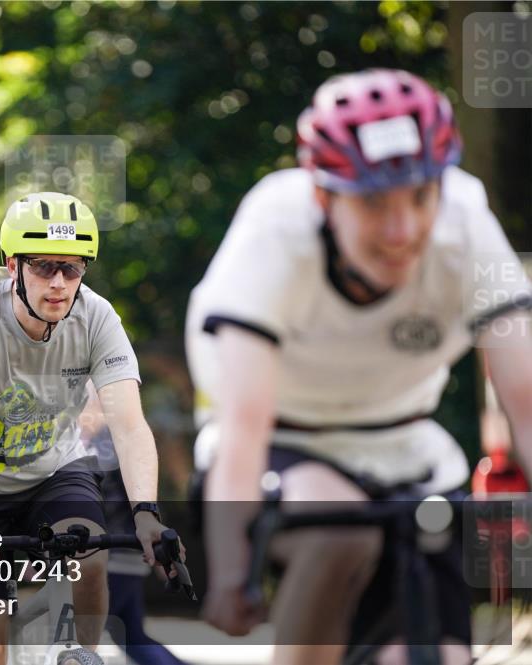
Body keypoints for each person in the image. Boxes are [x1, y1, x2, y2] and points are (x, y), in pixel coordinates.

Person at [185, 69, 532, 665]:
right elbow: (245, 424)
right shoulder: (275, 229)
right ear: (324, 198)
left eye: (420, 197)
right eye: (373, 202)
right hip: (282, 443)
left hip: (407, 447)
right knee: (338, 532)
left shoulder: (466, 222)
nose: (402, 231)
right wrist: (229, 571)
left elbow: (526, 400)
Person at [0, 192, 175, 665]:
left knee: (89, 556)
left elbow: (129, 425)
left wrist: (146, 513)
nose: (58, 283)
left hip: (53, 470)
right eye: (43, 266)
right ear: (13, 265)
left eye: (71, 269)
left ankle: (80, 656)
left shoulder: (97, 317)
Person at [79, 382, 188, 665]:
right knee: (132, 637)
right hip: (126, 555)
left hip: (109, 557)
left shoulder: (104, 444)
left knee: (75, 637)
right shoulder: (107, 440)